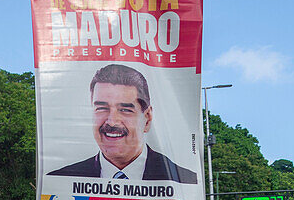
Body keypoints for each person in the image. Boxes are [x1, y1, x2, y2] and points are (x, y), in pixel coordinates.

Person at [47, 64, 197, 183]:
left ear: (147, 118)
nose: (112, 121)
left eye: (125, 109)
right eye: (102, 108)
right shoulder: (60, 180)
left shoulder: (184, 182)